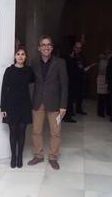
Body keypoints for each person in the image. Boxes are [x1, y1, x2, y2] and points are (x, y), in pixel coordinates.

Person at [27, 35, 68, 170]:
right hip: (37, 102)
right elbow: (29, 80)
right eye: (43, 45)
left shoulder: (60, 62)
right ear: (39, 48)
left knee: (55, 132)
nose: (46, 47)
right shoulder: (34, 62)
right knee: (36, 131)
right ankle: (38, 155)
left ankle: (53, 157)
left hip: (55, 104)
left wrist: (63, 105)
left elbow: (64, 85)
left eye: (48, 44)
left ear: (51, 47)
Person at [0, 46, 34, 168]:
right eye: (18, 54)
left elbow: (36, 83)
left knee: (22, 131)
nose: (20, 56)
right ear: (15, 56)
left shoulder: (29, 70)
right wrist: (2, 108)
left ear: (26, 57)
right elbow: (4, 89)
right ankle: (13, 157)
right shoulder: (9, 70)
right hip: (11, 105)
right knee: (13, 131)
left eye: (23, 54)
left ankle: (20, 156)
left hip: (25, 105)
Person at [97, 49, 112, 117]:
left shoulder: (107, 61)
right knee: (102, 97)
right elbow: (102, 71)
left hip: (106, 80)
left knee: (106, 97)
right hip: (102, 80)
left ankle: (105, 112)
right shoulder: (103, 61)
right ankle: (101, 112)